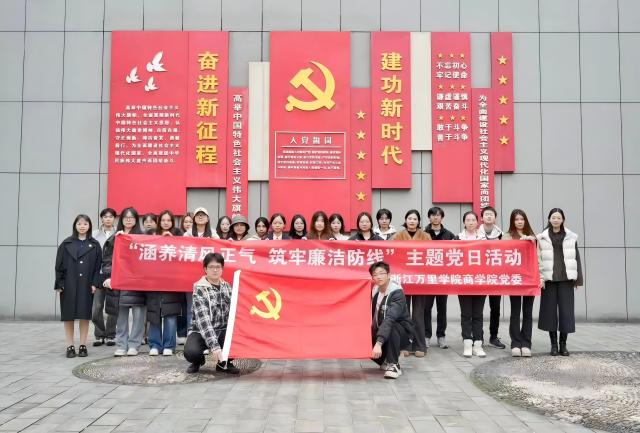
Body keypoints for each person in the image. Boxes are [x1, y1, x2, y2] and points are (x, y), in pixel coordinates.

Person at [55, 214, 102, 358]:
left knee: (84, 315)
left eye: (85, 224)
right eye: (79, 224)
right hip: (68, 284)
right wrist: (59, 283)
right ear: (75, 226)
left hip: (86, 284)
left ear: (89, 226)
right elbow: (58, 265)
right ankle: (70, 346)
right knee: (68, 315)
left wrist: (95, 283)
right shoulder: (66, 243)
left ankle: (82, 345)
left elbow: (97, 267)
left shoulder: (95, 245)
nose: (82, 226)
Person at [537, 208, 583, 356]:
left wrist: (578, 279)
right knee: (549, 313)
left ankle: (563, 344)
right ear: (549, 219)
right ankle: (553, 345)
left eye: (558, 217)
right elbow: (537, 258)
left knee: (566, 312)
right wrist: (540, 278)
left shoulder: (570, 236)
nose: (556, 220)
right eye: (553, 217)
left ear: (563, 219)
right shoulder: (541, 237)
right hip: (549, 279)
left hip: (566, 279)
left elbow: (576, 257)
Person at [184, 253, 240, 374]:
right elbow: (204, 321)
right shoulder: (199, 289)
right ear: (205, 269)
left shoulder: (227, 287)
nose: (215, 270)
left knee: (239, 339)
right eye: (211, 267)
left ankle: (224, 363)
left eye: (218, 267)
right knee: (191, 352)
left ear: (222, 269)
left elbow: (236, 310)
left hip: (223, 330)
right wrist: (214, 346)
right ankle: (198, 361)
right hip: (201, 331)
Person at [102, 207, 147, 357]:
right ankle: (121, 344)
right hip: (119, 284)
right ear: (121, 219)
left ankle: (134, 344)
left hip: (137, 283)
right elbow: (107, 262)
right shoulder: (114, 238)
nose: (128, 220)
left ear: (136, 220)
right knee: (121, 316)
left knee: (138, 316)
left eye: (131, 217)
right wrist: (109, 277)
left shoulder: (143, 238)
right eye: (125, 217)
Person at [391, 209, 432, 357]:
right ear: (405, 220)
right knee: (404, 312)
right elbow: (392, 255)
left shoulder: (426, 236)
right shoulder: (397, 236)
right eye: (409, 218)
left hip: (420, 280)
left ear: (419, 221)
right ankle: (405, 345)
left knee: (418, 314)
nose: (412, 221)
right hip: (403, 280)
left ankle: (420, 345)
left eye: (415, 219)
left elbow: (431, 255)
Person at [504, 209, 543, 357]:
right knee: (515, 311)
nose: (519, 222)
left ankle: (526, 343)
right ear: (512, 221)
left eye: (522, 219)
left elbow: (539, 259)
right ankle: (515, 343)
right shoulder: (507, 236)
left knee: (527, 312)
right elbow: (503, 256)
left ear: (525, 221)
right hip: (515, 279)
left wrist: (541, 277)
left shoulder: (533, 237)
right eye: (516, 219)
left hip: (530, 279)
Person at [370, 261, 417, 379]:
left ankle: (394, 364)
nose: (378, 277)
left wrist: (378, 343)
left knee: (392, 326)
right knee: (362, 334)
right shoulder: (375, 290)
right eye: (375, 274)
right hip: (382, 331)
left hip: (402, 333)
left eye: (381, 273)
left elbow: (390, 318)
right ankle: (386, 359)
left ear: (389, 275)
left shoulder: (397, 293)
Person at [423, 206, 456, 350]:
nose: (435, 217)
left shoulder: (449, 235)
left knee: (442, 309)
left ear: (442, 217)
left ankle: (441, 336)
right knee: (426, 308)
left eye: (438, 215)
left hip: (443, 278)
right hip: (427, 278)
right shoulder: (423, 234)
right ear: (429, 217)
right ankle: (426, 336)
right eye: (433, 215)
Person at [456, 211, 487, 358]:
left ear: (477, 222)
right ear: (464, 222)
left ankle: (478, 344)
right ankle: (467, 343)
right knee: (466, 314)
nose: (470, 222)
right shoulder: (457, 238)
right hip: (464, 281)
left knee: (478, 314)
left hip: (480, 281)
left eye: (473, 220)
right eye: (468, 220)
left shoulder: (484, 239)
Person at [478, 206, 506, 349]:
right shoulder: (476, 234)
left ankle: (493, 337)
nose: (489, 216)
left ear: (495, 218)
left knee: (495, 308)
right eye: (486, 214)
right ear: (481, 218)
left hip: (496, 276)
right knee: (478, 308)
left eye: (491, 214)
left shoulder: (502, 235)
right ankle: (479, 337)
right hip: (480, 276)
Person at [91, 208, 117, 347]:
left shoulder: (118, 234)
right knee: (97, 307)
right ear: (101, 218)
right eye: (105, 216)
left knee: (113, 307)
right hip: (98, 274)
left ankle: (111, 335)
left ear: (114, 219)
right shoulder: (94, 234)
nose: (108, 219)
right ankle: (99, 334)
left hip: (114, 274)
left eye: (110, 216)